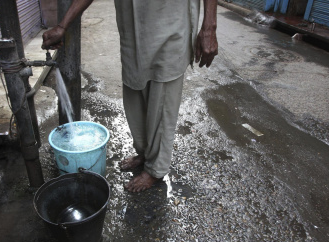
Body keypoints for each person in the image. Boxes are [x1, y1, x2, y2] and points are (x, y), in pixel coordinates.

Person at [42, 0, 218, 192]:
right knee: (135, 95)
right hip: (133, 29)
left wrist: (209, 27)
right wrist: (62, 25)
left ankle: (155, 169)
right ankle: (144, 153)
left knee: (162, 97)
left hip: (170, 22)